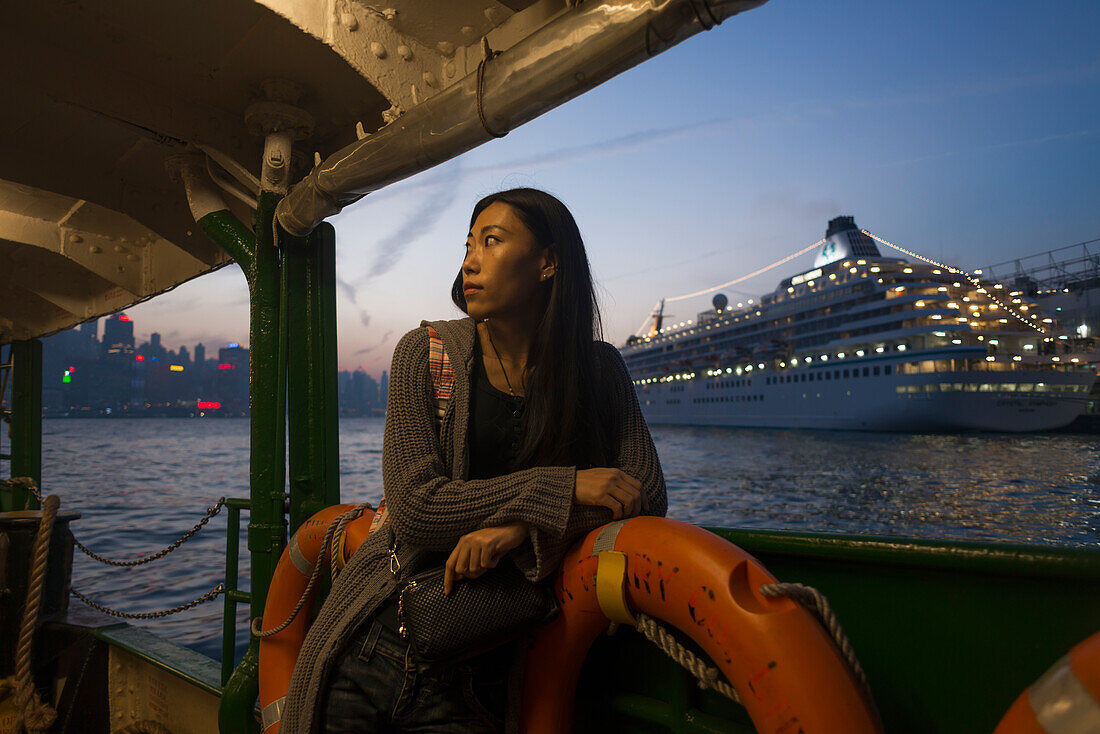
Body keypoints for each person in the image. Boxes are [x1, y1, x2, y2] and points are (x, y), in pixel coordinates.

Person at [280, 188, 667, 733]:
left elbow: (644, 493)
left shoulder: (600, 371)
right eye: (467, 244)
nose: (469, 261)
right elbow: (417, 508)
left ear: (548, 262)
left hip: (481, 674)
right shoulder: (426, 352)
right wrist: (562, 488)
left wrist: (516, 531)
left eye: (492, 240)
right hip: (374, 646)